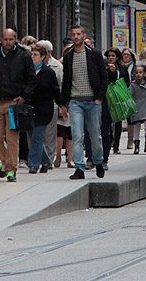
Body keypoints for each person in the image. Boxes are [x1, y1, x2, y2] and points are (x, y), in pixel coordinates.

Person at [0, 28, 36, 182]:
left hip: (14, 102)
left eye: (11, 39)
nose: (8, 42)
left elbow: (31, 79)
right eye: (5, 39)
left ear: (15, 39)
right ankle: (5, 162)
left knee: (12, 138)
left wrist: (24, 96)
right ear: (1, 39)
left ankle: (11, 170)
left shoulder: (23, 55)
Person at [60, 25, 109, 179]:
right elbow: (66, 81)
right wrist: (63, 103)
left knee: (95, 135)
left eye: (78, 34)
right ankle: (79, 168)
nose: (76, 37)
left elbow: (104, 77)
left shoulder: (94, 54)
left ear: (84, 35)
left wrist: (99, 98)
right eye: (73, 34)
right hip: (75, 102)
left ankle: (98, 161)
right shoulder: (68, 57)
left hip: (93, 101)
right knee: (77, 135)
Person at [28, 45, 60, 174]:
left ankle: (33, 164)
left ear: (42, 57)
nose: (33, 57)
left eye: (35, 55)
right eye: (32, 54)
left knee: (37, 136)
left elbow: (55, 91)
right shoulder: (27, 71)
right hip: (29, 109)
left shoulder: (48, 72)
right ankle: (46, 161)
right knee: (34, 137)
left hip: (44, 109)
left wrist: (62, 105)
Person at [38, 40, 62, 168]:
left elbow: (60, 87)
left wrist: (62, 105)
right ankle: (40, 158)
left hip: (52, 105)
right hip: (36, 105)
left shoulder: (57, 66)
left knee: (50, 135)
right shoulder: (31, 65)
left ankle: (48, 160)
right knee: (36, 134)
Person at [128, 64, 146, 154]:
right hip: (136, 107)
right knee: (136, 126)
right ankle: (136, 146)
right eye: (136, 72)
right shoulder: (133, 85)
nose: (138, 74)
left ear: (144, 73)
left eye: (140, 72)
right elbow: (129, 95)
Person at [119, 48, 137, 149]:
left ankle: (130, 140)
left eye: (127, 55)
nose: (125, 56)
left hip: (131, 94)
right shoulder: (119, 67)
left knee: (130, 118)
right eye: (124, 55)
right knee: (117, 118)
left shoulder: (134, 67)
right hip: (120, 93)